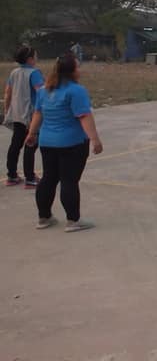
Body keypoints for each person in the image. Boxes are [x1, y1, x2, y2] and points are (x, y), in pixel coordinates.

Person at [25, 53, 104, 231]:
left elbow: (38, 113)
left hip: (47, 142)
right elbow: (84, 116)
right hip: (72, 143)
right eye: (78, 67)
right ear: (71, 71)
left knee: (48, 178)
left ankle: (44, 217)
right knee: (69, 180)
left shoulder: (44, 90)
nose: (80, 70)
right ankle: (73, 220)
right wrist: (95, 139)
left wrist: (32, 133)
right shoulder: (76, 90)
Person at [4, 46, 44, 187]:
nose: (37, 58)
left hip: (17, 114)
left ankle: (12, 175)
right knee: (30, 144)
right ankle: (30, 178)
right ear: (30, 59)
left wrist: (7, 110)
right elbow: (41, 93)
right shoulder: (34, 73)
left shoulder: (14, 72)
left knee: (15, 145)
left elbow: (8, 93)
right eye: (35, 56)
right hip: (30, 115)